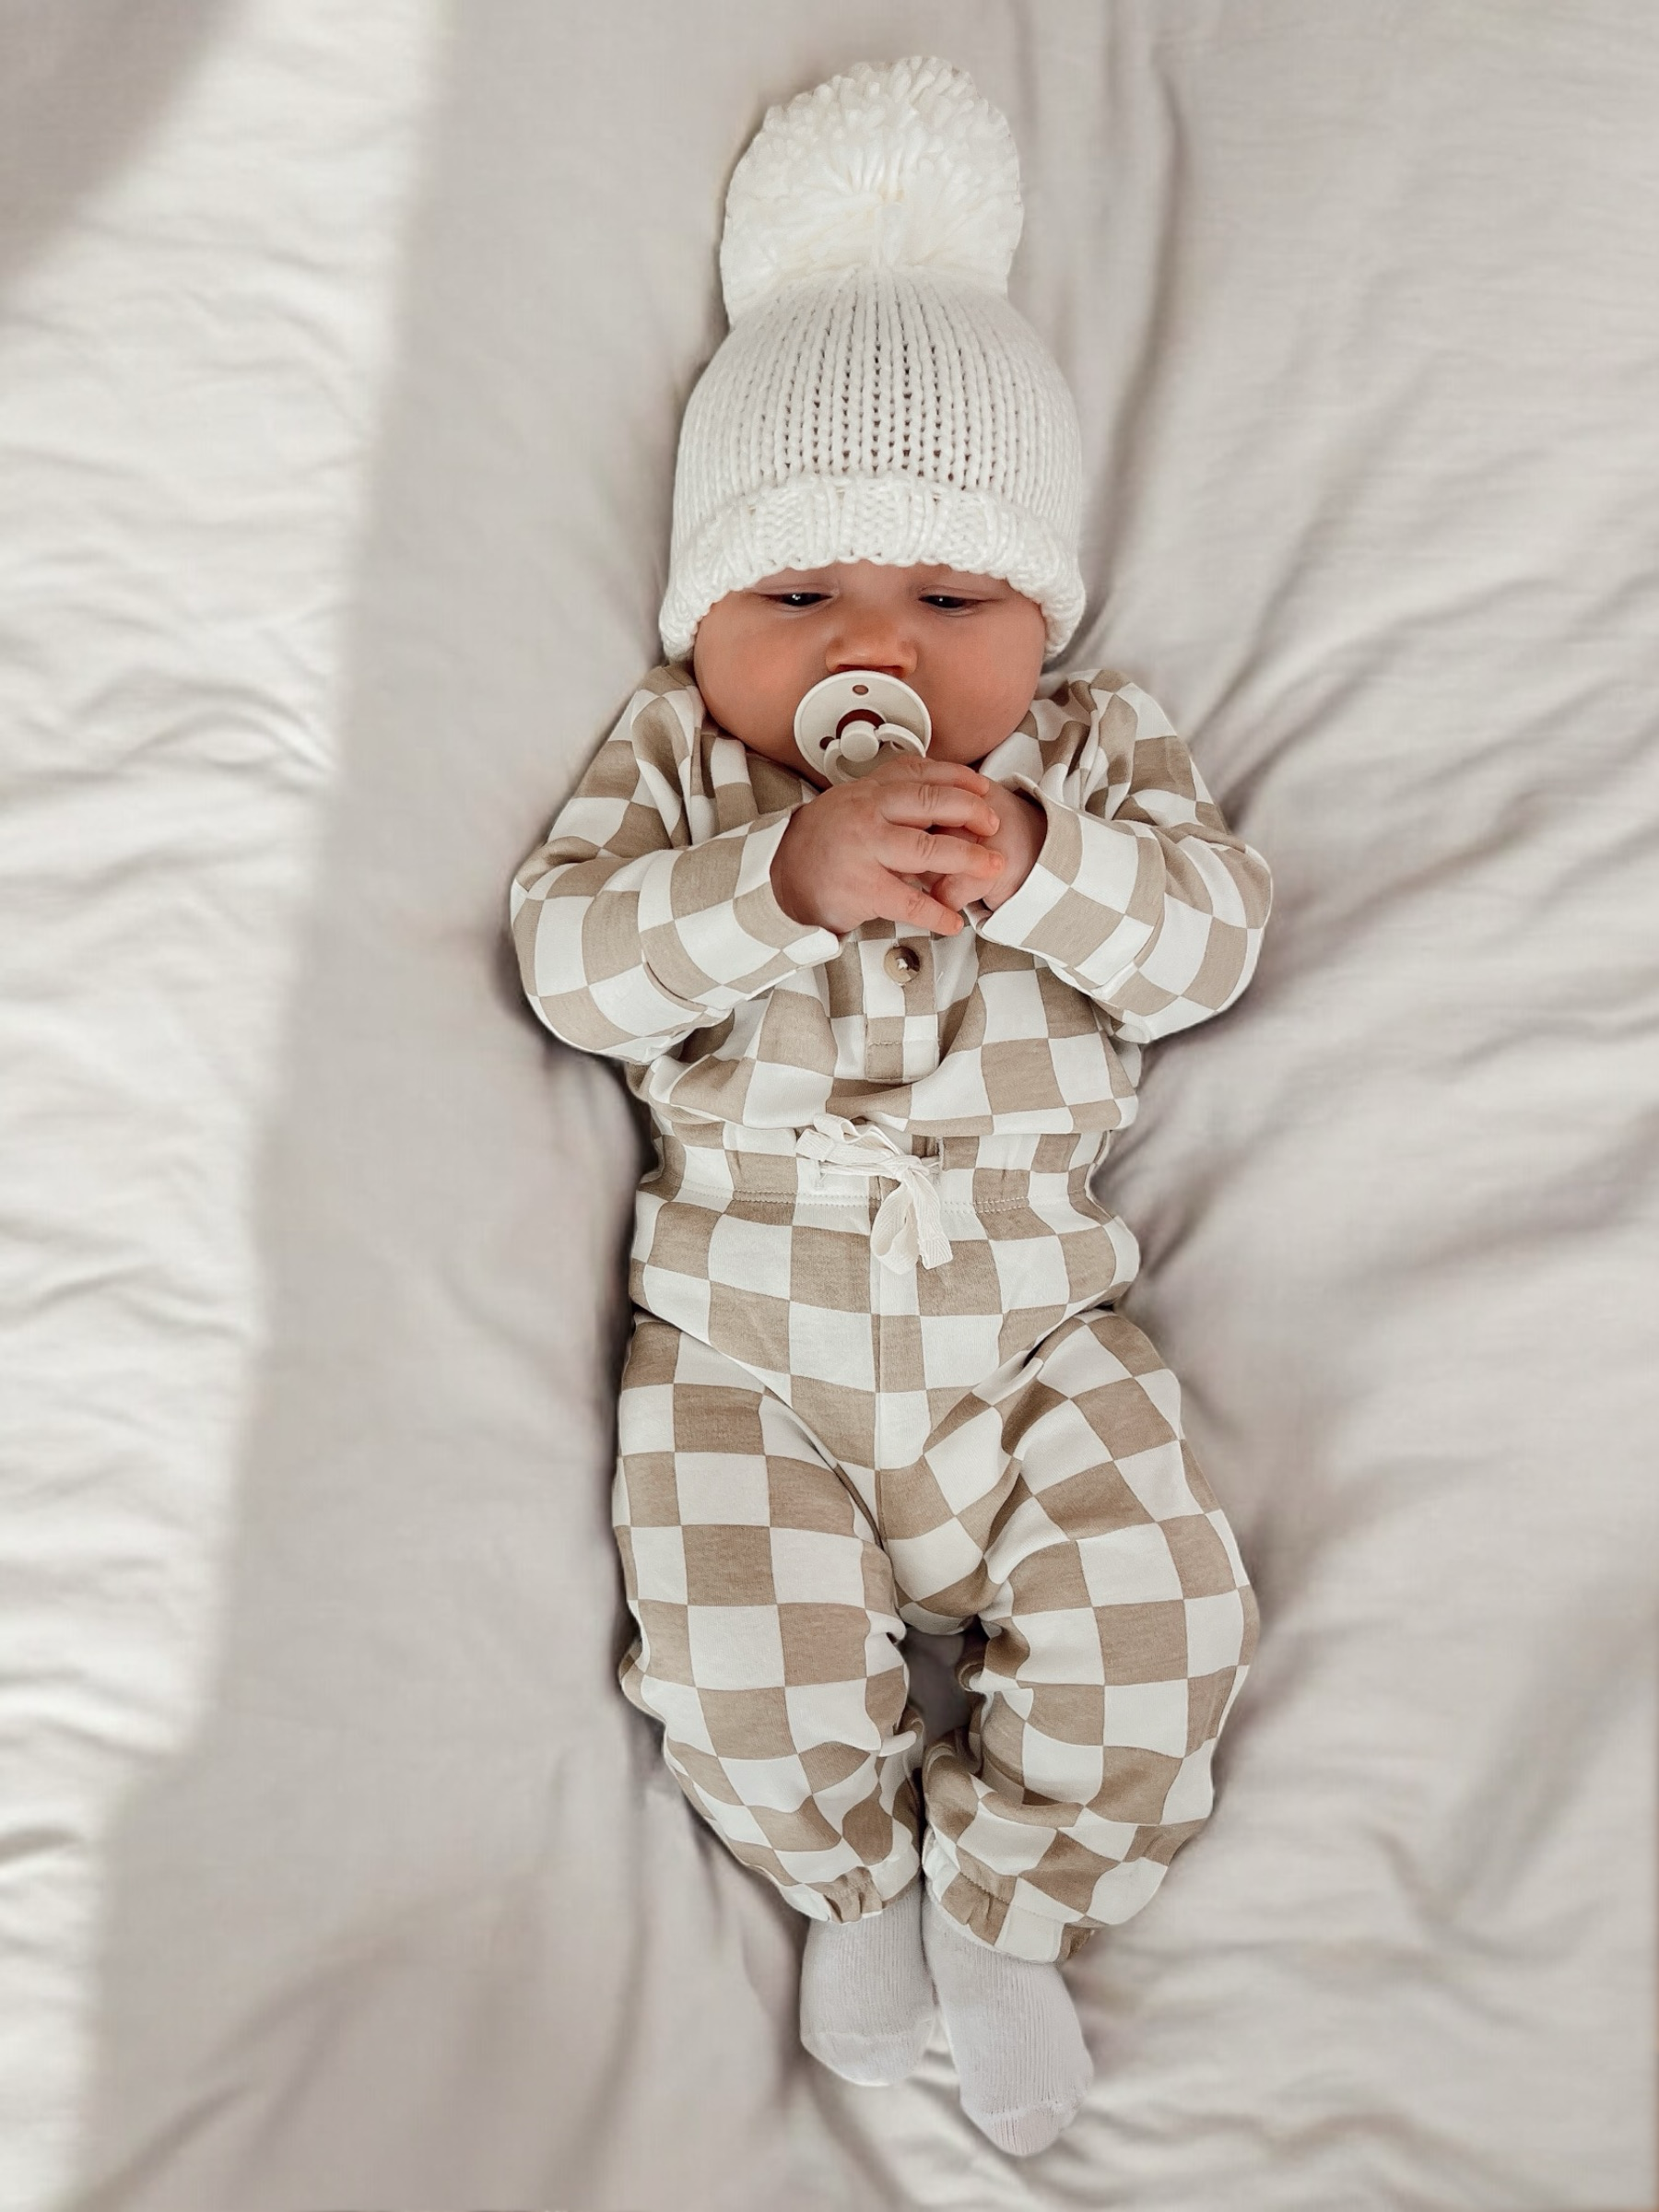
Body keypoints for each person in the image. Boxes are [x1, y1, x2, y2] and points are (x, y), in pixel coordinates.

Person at [511, 56, 1271, 2159]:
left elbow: (1209, 948)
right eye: (798, 601)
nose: (880, 651)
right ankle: (849, 1875)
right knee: (733, 1637)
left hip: (1034, 1331)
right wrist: (777, 882)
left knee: (1164, 1614)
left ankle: (1015, 1901)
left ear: (1045, 619)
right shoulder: (684, 776)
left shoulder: (1094, 764)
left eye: (954, 601)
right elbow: (566, 964)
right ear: (701, 625)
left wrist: (1045, 867)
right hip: (749, 1340)